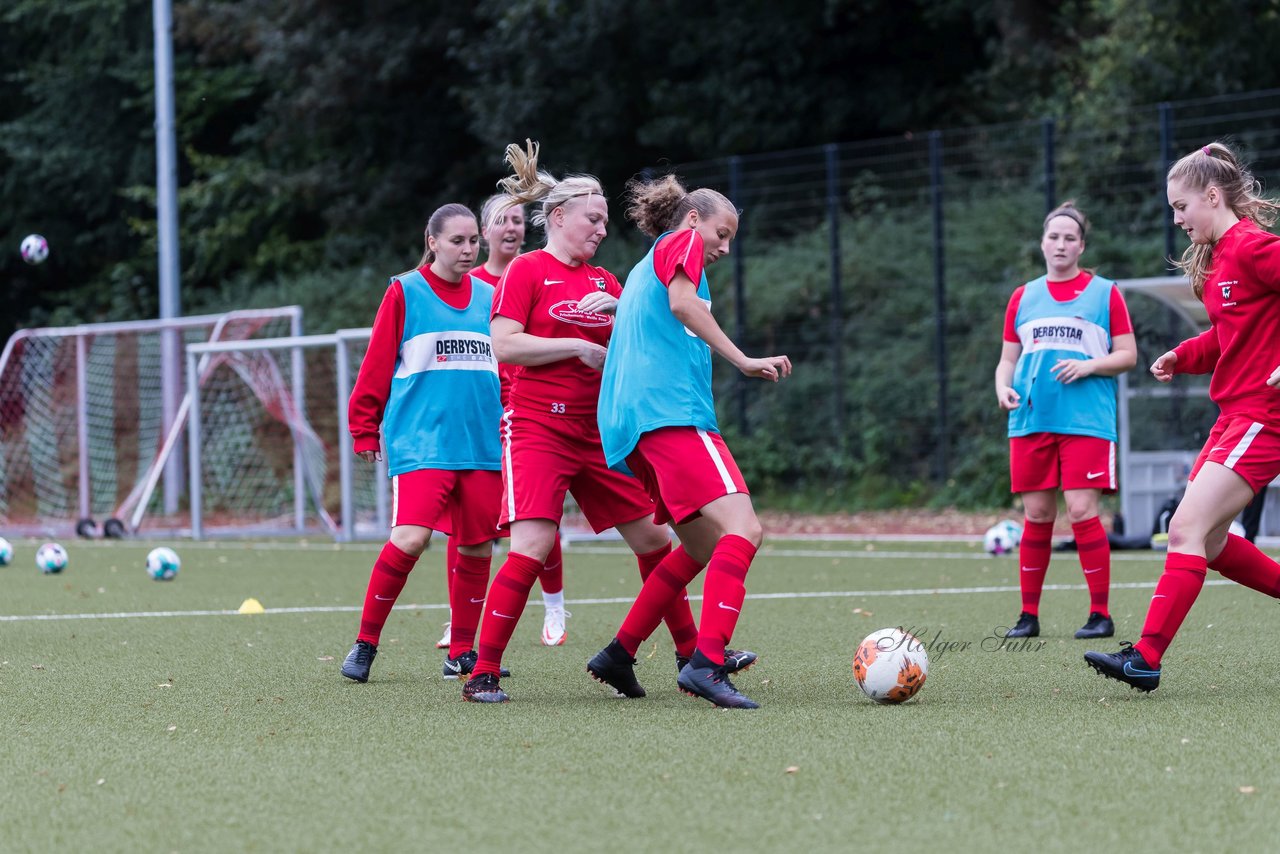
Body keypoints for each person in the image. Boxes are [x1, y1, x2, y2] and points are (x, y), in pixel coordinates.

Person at [461, 142, 747, 704]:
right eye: (592, 219)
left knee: (656, 539)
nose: (600, 229)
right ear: (559, 217)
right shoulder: (527, 270)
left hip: (599, 432)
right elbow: (503, 344)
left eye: (605, 222)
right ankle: (482, 672)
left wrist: (623, 317)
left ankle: (691, 656)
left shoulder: (605, 282)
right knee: (533, 546)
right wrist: (575, 346)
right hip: (538, 427)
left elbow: (641, 335)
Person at [584, 173, 791, 709]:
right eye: (722, 233)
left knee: (699, 546)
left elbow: (659, 308)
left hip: (633, 425)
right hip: (669, 415)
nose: (724, 246)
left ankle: (619, 652)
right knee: (745, 528)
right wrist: (744, 358)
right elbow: (680, 304)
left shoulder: (641, 269)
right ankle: (707, 662)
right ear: (694, 218)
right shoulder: (680, 244)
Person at [1086, 141, 1280, 691]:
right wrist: (1185, 354)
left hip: (1263, 418)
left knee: (1186, 529)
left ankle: (1145, 656)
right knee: (1210, 541)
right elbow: (1230, 334)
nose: (1176, 219)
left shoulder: (1251, 247)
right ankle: (1145, 655)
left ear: (1212, 196)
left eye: (1181, 206)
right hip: (1234, 415)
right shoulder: (1223, 257)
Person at [340, 203, 507, 684]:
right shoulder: (405, 291)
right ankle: (366, 643)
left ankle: (461, 652)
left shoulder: (489, 295)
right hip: (422, 441)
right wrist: (363, 427)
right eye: (457, 241)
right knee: (412, 538)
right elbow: (375, 364)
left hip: (481, 444)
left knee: (477, 548)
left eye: (474, 240)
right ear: (432, 241)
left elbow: (508, 370)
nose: (468, 249)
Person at [993, 201, 1137, 641]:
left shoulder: (1105, 292)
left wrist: (1089, 366)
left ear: (1081, 245)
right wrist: (1002, 388)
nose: (1061, 244)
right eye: (1053, 236)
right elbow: (1007, 361)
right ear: (1042, 243)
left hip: (1086, 420)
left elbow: (1127, 355)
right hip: (1032, 419)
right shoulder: (1023, 296)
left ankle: (1100, 614)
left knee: (1080, 510)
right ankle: (1028, 616)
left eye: (1069, 238)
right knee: (1037, 514)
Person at [435, 195, 573, 651]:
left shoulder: (539, 272)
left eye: (518, 219)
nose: (511, 227)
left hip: (534, 408)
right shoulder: (470, 282)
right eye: (501, 220)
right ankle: (460, 621)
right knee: (471, 522)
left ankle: (554, 606)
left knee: (537, 515)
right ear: (484, 232)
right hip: (483, 414)